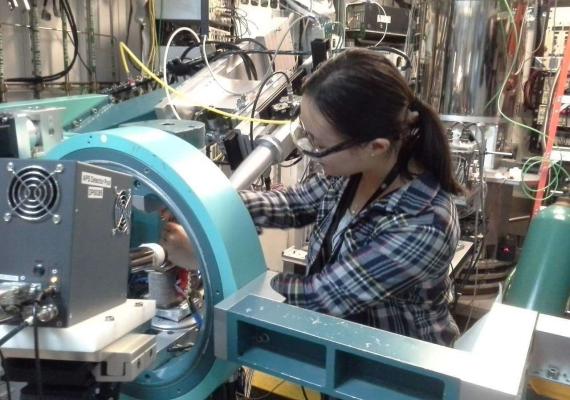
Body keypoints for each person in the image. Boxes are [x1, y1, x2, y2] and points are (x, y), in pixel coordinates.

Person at [162, 48, 462, 346]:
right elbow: (291, 205)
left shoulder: (425, 222)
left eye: (317, 143)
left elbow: (318, 297)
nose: (309, 151)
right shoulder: (355, 171)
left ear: (376, 146)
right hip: (344, 351)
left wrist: (205, 258)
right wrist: (202, 205)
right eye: (304, 132)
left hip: (398, 377)